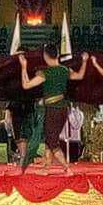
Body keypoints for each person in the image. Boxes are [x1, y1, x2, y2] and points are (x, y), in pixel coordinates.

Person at [17, 44, 89, 174]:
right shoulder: (64, 70)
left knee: (51, 141)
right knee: (50, 138)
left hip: (53, 110)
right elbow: (79, 76)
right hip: (63, 109)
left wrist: (23, 67)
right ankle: (46, 168)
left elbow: (26, 85)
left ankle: (67, 168)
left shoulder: (46, 73)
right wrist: (84, 61)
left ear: (45, 56)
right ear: (57, 55)